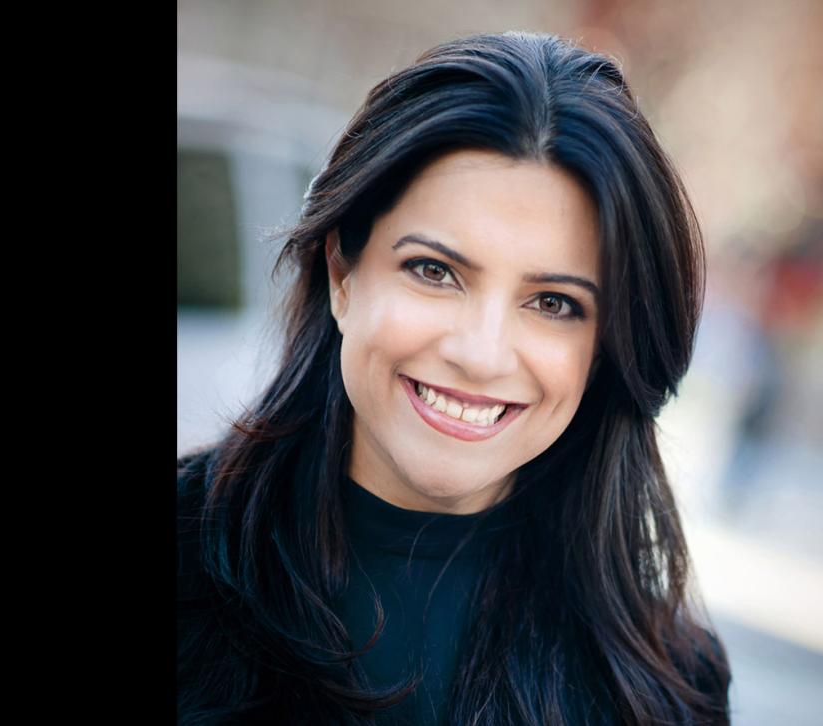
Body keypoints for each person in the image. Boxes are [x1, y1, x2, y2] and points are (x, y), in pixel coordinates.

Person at [178, 31, 732, 725]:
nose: (481, 353)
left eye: (554, 303)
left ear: (607, 347)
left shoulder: (667, 682)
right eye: (435, 271)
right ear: (342, 274)